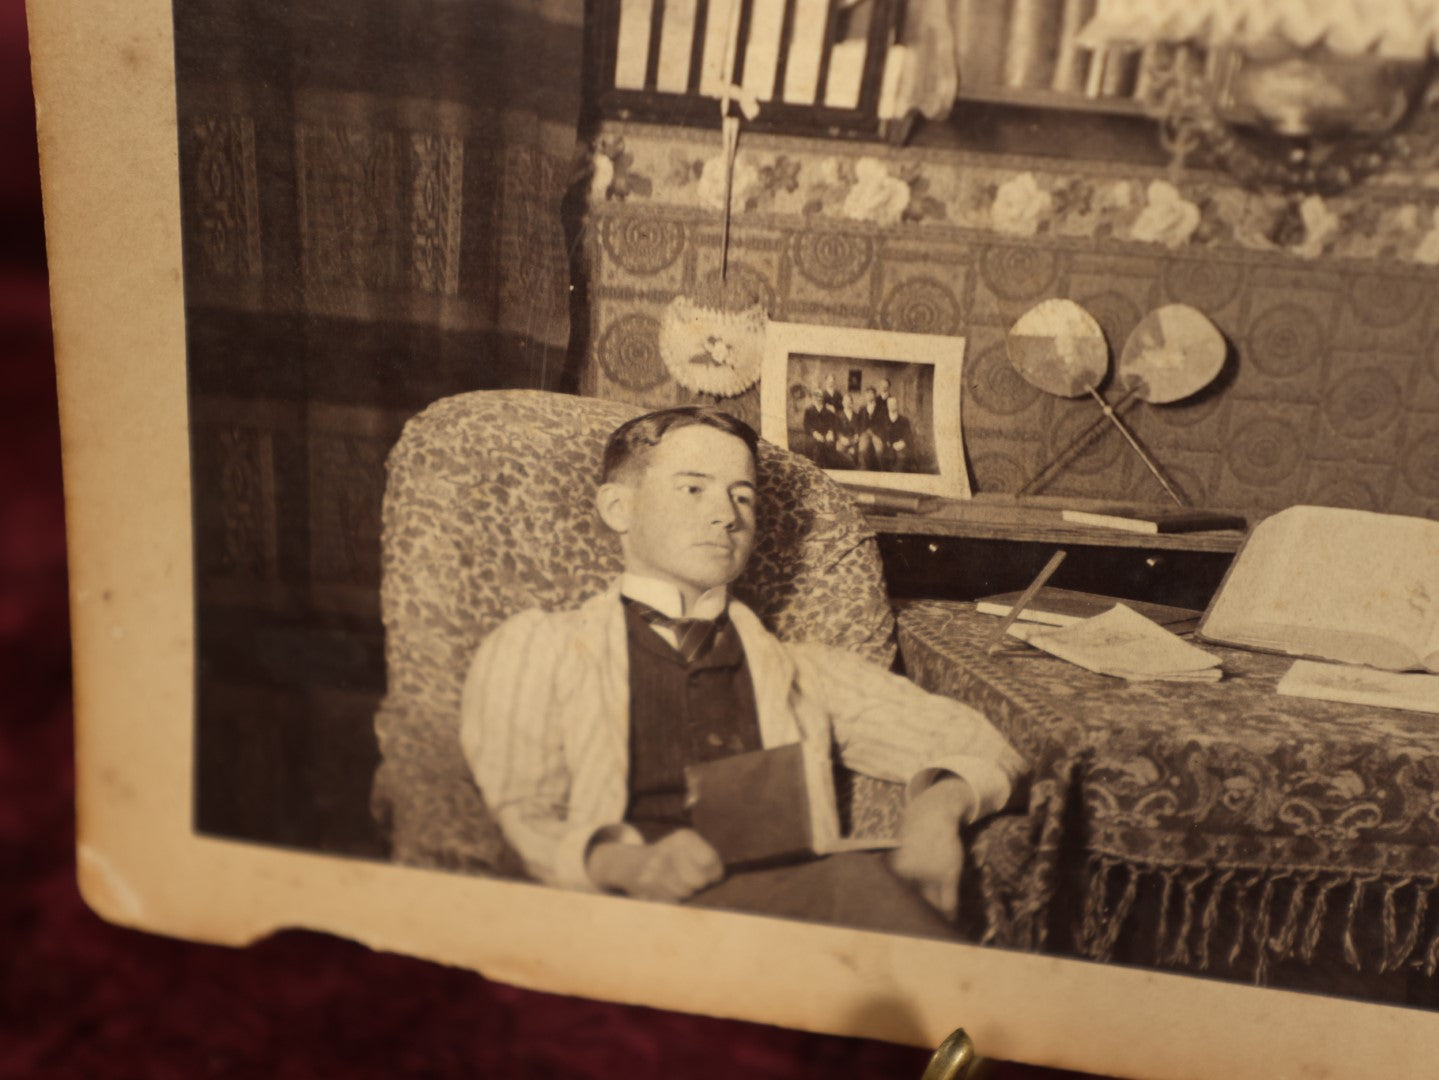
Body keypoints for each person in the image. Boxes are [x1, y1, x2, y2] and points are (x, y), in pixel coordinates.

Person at [460, 407, 1023, 937]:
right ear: (618, 509)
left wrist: (935, 812)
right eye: (692, 488)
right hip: (620, 931)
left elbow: (983, 745)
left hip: (793, 930)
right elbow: (517, 814)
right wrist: (623, 862)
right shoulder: (544, 648)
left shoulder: (802, 674)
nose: (725, 515)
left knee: (872, 899)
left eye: (743, 497)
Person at [800, 386, 834, 467]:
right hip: (813, 434)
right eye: (816, 395)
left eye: (820, 395)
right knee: (815, 445)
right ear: (813, 397)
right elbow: (806, 425)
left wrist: (830, 432)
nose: (818, 398)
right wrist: (815, 433)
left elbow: (831, 424)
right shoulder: (808, 410)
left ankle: (827, 468)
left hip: (825, 434)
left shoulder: (828, 411)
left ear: (822, 397)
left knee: (830, 444)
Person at [882, 396, 914, 472]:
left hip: (900, 446)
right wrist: (887, 442)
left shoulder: (904, 420)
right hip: (887, 446)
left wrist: (903, 442)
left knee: (901, 459)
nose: (892, 405)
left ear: (897, 405)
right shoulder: (883, 420)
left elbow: (908, 434)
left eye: (894, 403)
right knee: (884, 459)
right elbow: (881, 434)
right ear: (887, 405)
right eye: (890, 404)